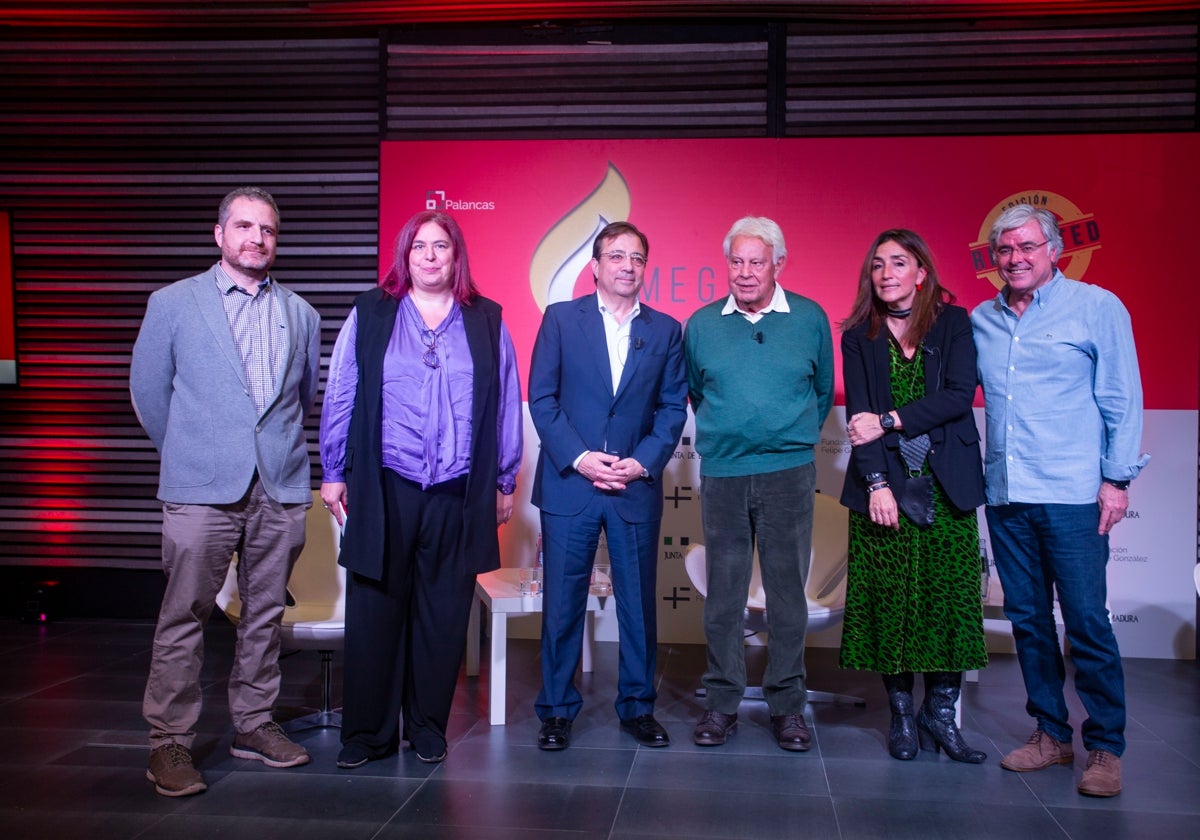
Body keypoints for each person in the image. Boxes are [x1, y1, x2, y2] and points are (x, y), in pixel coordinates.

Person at [130, 187, 321, 797]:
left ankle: (254, 723)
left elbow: (301, 401)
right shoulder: (173, 304)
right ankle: (169, 742)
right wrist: (195, 452)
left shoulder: (302, 314)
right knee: (185, 612)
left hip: (280, 484)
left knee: (264, 613)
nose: (256, 239)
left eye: (267, 230)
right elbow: (149, 395)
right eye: (244, 227)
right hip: (201, 487)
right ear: (219, 234)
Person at [320, 210, 522, 768]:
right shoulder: (372, 313)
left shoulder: (486, 320)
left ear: (457, 257)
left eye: (442, 247)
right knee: (375, 609)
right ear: (404, 256)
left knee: (443, 612)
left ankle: (429, 726)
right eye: (420, 247)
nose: (431, 256)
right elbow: (342, 390)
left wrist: (506, 478)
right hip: (386, 483)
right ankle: (366, 734)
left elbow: (505, 401)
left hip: (458, 489)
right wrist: (334, 468)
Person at [972, 205, 1148, 798]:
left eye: (1026, 247)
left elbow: (1122, 398)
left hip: (1074, 493)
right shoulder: (981, 319)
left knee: (1087, 622)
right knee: (1026, 621)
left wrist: (1117, 480)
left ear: (1054, 250)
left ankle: (1105, 748)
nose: (1015, 259)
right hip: (1006, 493)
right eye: (1004, 250)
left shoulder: (1097, 307)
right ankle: (1051, 733)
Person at [529, 221, 687, 751]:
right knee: (563, 603)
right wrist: (581, 458)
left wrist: (639, 464)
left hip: (632, 486)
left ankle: (638, 707)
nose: (626, 265)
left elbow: (670, 409)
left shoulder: (665, 330)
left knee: (639, 604)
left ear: (646, 267)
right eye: (615, 255)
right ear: (594, 266)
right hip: (571, 484)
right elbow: (542, 399)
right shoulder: (560, 320)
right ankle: (555, 710)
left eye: (637, 257)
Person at [684, 216, 834, 752]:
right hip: (724, 472)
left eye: (757, 261)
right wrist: (735, 437)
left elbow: (821, 394)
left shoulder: (810, 319)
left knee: (787, 596)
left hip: (788, 474)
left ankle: (788, 707)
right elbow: (698, 393)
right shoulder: (701, 324)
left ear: (778, 265)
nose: (745, 272)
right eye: (736, 261)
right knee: (724, 597)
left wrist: (784, 440)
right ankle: (721, 703)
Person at [839, 229, 988, 763]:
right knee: (892, 603)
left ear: (921, 272)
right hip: (887, 485)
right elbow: (858, 422)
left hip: (947, 482)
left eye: (898, 263)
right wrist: (877, 484)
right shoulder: (859, 334)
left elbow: (957, 395)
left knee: (949, 602)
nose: (885, 274)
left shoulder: (952, 323)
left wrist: (891, 419)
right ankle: (902, 715)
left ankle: (941, 715)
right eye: (877, 265)